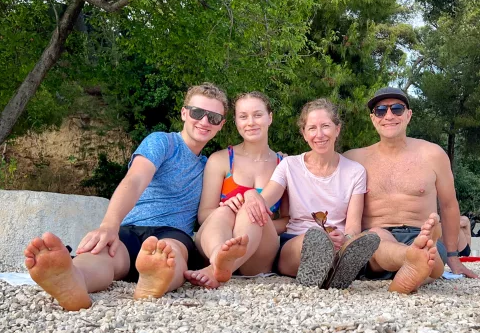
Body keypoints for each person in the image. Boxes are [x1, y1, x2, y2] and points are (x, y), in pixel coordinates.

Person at [23, 83, 228, 311]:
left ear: (221, 125)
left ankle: (153, 282)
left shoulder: (211, 166)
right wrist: (109, 225)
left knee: (171, 254)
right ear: (183, 113)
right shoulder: (162, 142)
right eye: (197, 112)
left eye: (213, 117)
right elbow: (135, 179)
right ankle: (74, 279)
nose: (204, 121)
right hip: (130, 228)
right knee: (102, 252)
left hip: (173, 233)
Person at [193, 98, 379, 289]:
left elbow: (353, 226)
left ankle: (336, 264)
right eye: (312, 128)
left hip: (333, 238)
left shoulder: (355, 171)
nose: (320, 134)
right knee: (276, 221)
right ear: (304, 134)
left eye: (326, 126)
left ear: (337, 129)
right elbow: (265, 200)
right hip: (295, 239)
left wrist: (346, 238)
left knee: (328, 241)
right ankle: (327, 265)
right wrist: (251, 196)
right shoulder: (289, 165)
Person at [344, 87, 479, 295]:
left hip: (420, 231)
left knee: (430, 244)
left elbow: (449, 205)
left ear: (408, 115)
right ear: (373, 118)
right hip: (377, 241)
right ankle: (414, 259)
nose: (389, 116)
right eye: (381, 110)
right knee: (377, 237)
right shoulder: (353, 159)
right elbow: (320, 173)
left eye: (397, 109)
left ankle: (417, 260)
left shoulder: (433, 154)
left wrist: (454, 257)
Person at [184, 91, 289, 288]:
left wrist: (251, 220)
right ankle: (218, 259)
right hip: (218, 237)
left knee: (253, 209)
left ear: (270, 118)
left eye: (257, 115)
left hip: (257, 256)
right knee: (225, 210)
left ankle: (214, 270)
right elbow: (203, 215)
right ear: (236, 122)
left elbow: (288, 220)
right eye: (243, 116)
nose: (250, 122)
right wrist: (231, 213)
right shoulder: (220, 160)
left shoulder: (284, 164)